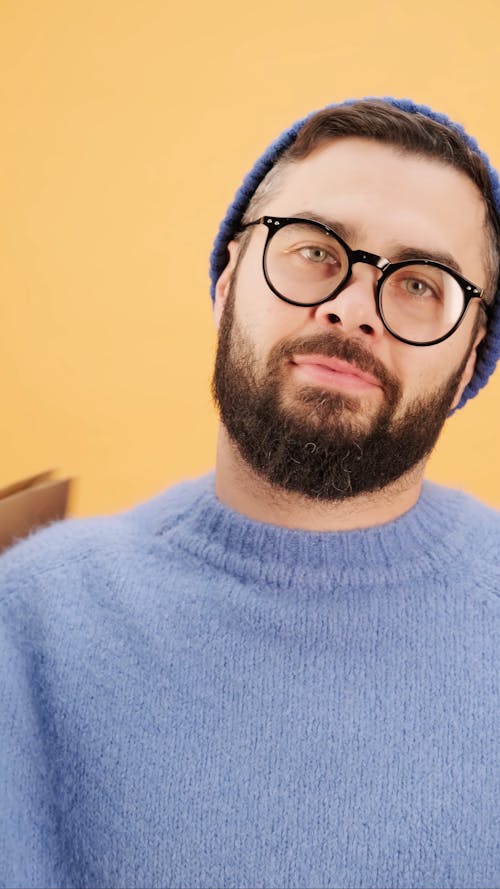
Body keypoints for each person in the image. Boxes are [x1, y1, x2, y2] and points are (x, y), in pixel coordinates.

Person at [0, 97, 499, 889]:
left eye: (419, 283)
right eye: (314, 250)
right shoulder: (29, 617)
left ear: (474, 357)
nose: (353, 307)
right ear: (229, 280)